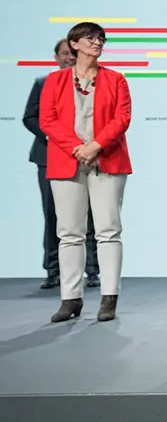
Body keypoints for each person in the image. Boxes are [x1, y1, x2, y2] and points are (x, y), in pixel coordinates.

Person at [39, 22, 132, 323]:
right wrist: (79, 148)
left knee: (108, 231)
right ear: (74, 44)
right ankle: (71, 298)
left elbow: (122, 118)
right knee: (69, 233)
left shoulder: (116, 79)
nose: (98, 43)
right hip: (67, 160)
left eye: (101, 39)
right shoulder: (55, 81)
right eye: (91, 38)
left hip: (107, 159)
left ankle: (109, 298)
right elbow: (47, 121)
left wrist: (96, 145)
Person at [23, 39, 100, 290]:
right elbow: (30, 117)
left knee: (88, 217)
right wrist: (53, 136)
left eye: (73, 52)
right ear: (56, 57)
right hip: (50, 158)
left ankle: (92, 272)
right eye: (65, 53)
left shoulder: (93, 83)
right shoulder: (43, 83)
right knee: (53, 216)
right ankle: (53, 271)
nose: (70, 57)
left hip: (87, 157)